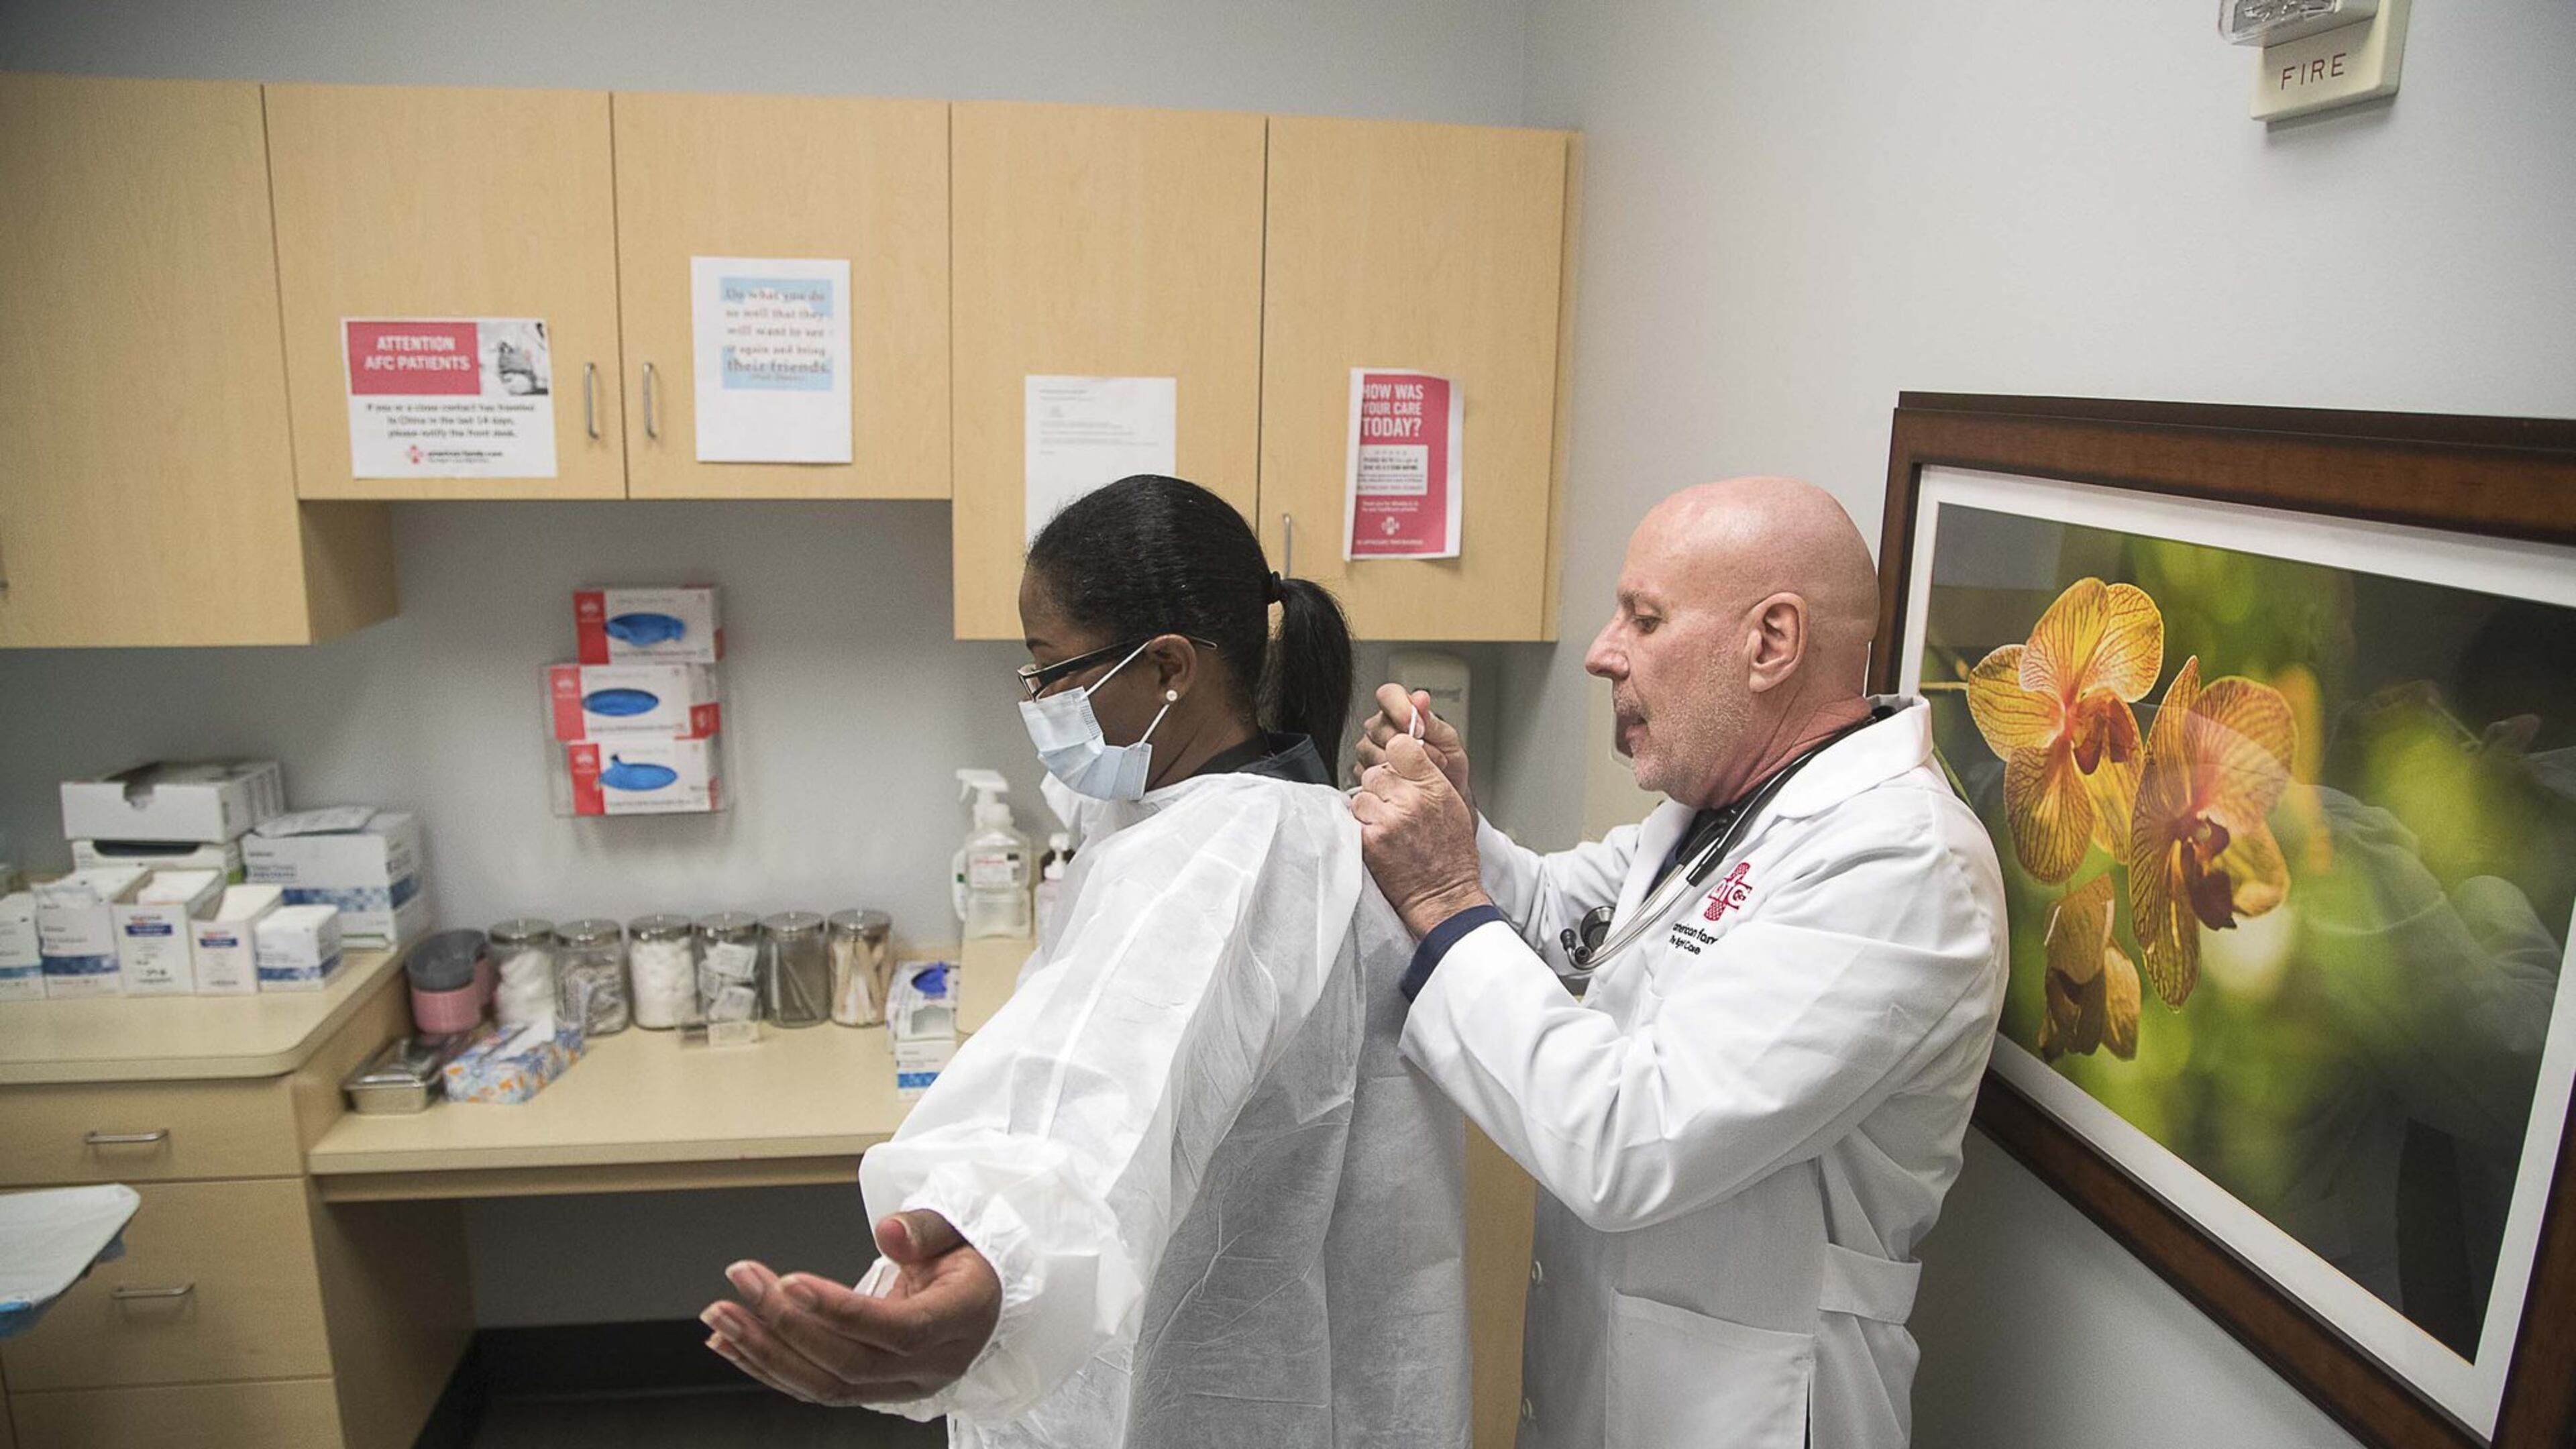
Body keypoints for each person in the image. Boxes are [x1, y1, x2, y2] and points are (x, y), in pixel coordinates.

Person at [700, 474, 1472, 1448]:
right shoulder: (1230, 809)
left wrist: (998, 1265)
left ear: (1168, 669)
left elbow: (1115, 1072)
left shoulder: (1229, 851)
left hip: (1213, 1383)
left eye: (1052, 670)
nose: (1038, 701)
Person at [1352, 476, 2008, 1449]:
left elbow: (1632, 1142)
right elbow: (1550, 915)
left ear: (1771, 643)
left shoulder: (1900, 866)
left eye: (1643, 619)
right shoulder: (1730, 805)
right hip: (1626, 1376)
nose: (1601, 653)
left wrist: (1446, 894)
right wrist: (1459, 827)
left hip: (1758, 1403)